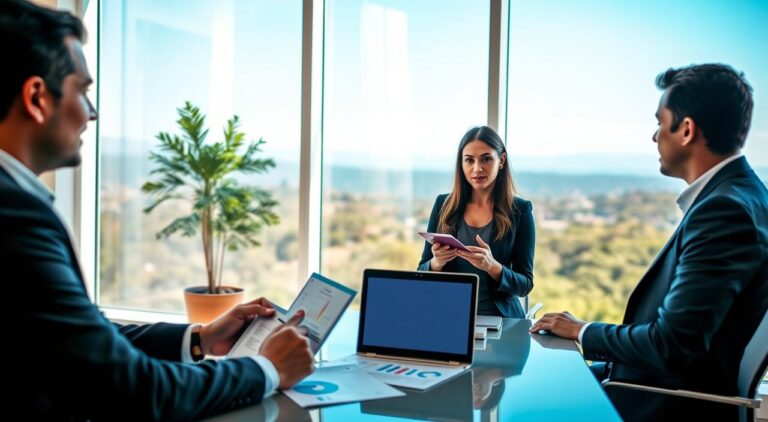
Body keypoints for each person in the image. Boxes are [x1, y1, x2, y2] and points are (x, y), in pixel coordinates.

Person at [0, 1, 314, 420]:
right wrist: (267, 368)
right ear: (37, 97)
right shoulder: (15, 216)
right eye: (83, 91)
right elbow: (135, 389)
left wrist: (200, 337)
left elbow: (79, 338)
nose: (92, 113)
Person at [530, 63, 768, 420]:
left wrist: (582, 330)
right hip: (643, 383)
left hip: (657, 401)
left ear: (686, 130)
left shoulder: (724, 210)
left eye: (660, 123)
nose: (654, 136)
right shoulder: (743, 195)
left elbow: (669, 345)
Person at [418, 126, 535, 317]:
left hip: (501, 323)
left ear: (501, 160)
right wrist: (437, 262)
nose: (477, 168)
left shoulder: (520, 210)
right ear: (461, 164)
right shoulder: (443, 205)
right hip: (450, 317)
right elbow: (421, 271)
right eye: (469, 160)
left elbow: (525, 285)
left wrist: (492, 266)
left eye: (486, 159)